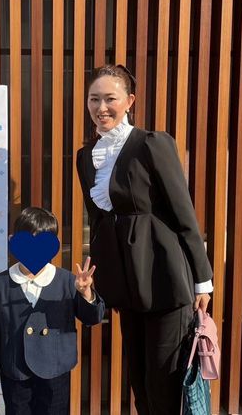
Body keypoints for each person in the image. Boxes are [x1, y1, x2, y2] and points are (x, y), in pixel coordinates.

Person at [75, 64, 213, 415]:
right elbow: (98, 220)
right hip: (127, 284)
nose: (101, 107)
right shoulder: (85, 157)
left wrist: (203, 280)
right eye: (94, 99)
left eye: (110, 98)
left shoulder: (152, 144)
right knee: (139, 381)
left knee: (163, 383)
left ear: (129, 101)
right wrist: (101, 280)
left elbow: (184, 213)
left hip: (165, 278)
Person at [0, 206, 105, 415]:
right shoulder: (1, 284)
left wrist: (86, 293)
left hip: (55, 373)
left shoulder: (67, 281)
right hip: (15, 374)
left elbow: (93, 318)